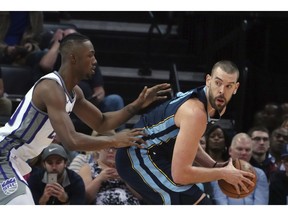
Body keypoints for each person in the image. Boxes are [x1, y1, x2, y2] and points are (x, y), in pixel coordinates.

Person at [0, 32, 171, 205]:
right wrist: (114, 140)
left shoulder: (74, 93)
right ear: (73, 58)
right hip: (4, 153)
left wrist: (137, 105)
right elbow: (72, 140)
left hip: (16, 158)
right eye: (90, 55)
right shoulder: (51, 88)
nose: (95, 60)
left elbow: (102, 122)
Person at [116, 60, 256, 205]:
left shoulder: (216, 104)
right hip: (136, 155)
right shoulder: (195, 113)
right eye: (218, 83)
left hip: (157, 152)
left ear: (236, 88)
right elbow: (181, 175)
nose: (222, 90)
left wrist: (214, 165)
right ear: (208, 80)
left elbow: (190, 142)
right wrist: (223, 173)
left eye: (228, 86)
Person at [211, 133, 269, 205]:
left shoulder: (259, 174)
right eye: (239, 149)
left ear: (251, 152)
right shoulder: (220, 172)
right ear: (230, 151)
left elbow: (261, 204)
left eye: (247, 150)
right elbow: (220, 201)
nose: (244, 153)